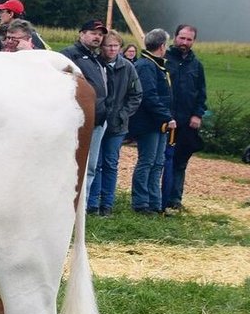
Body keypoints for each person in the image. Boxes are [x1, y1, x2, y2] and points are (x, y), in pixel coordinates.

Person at [85, 30, 142, 216]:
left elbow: (136, 94)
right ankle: (92, 203)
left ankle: (107, 203)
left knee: (110, 163)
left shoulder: (127, 67)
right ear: (102, 47)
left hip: (117, 124)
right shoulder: (95, 65)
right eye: (108, 45)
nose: (111, 49)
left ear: (120, 48)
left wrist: (123, 114)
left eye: (115, 46)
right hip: (98, 121)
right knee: (95, 163)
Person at [61, 20, 109, 208]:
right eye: (92, 32)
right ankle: (69, 205)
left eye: (100, 34)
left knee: (91, 166)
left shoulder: (98, 58)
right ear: (81, 34)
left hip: (98, 119)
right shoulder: (68, 55)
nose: (97, 36)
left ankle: (84, 205)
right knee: (73, 165)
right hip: (78, 121)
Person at [128, 28, 174, 215]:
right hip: (148, 123)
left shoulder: (156, 65)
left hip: (158, 123)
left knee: (158, 162)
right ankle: (141, 202)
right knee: (147, 161)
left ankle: (155, 203)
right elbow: (149, 96)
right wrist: (166, 116)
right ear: (162, 46)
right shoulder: (146, 65)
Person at [163, 24, 206, 212]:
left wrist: (197, 114)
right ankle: (157, 198)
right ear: (175, 37)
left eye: (189, 39)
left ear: (193, 41)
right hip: (165, 120)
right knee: (158, 160)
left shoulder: (196, 65)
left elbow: (201, 93)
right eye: (182, 38)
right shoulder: (164, 59)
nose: (184, 42)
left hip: (186, 121)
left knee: (180, 162)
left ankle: (174, 199)